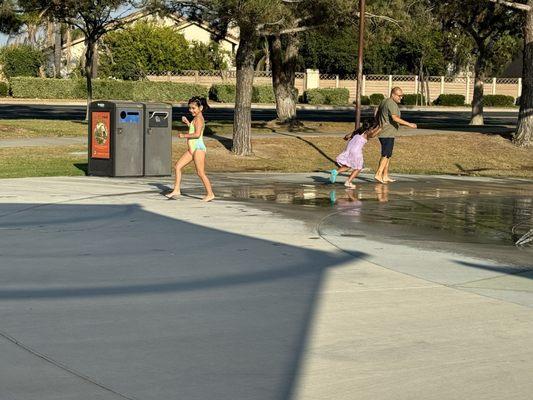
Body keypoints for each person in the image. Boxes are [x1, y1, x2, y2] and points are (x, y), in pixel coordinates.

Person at [166, 96, 215, 202]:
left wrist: (184, 136)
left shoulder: (199, 119)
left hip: (198, 149)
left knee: (200, 172)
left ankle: (210, 194)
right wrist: (188, 123)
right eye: (190, 108)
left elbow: (197, 134)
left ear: (200, 108)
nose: (191, 110)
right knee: (178, 166)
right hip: (192, 149)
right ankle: (176, 190)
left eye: (193, 108)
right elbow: (194, 129)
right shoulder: (196, 118)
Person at [374, 87, 417, 183]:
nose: (401, 98)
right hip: (387, 133)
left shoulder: (384, 101)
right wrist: (409, 124)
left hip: (386, 132)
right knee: (385, 154)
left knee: (388, 155)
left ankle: (385, 175)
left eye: (402, 96)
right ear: (393, 94)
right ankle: (378, 173)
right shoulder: (391, 103)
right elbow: (395, 118)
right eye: (399, 95)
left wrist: (378, 123)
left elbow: (377, 113)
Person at [329, 122, 381, 189]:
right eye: (373, 128)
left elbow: (346, 136)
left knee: (348, 165)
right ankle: (348, 182)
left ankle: (336, 172)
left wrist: (346, 138)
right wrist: (380, 128)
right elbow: (372, 135)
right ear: (370, 129)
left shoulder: (357, 131)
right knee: (358, 168)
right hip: (356, 151)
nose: (374, 130)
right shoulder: (366, 134)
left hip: (349, 149)